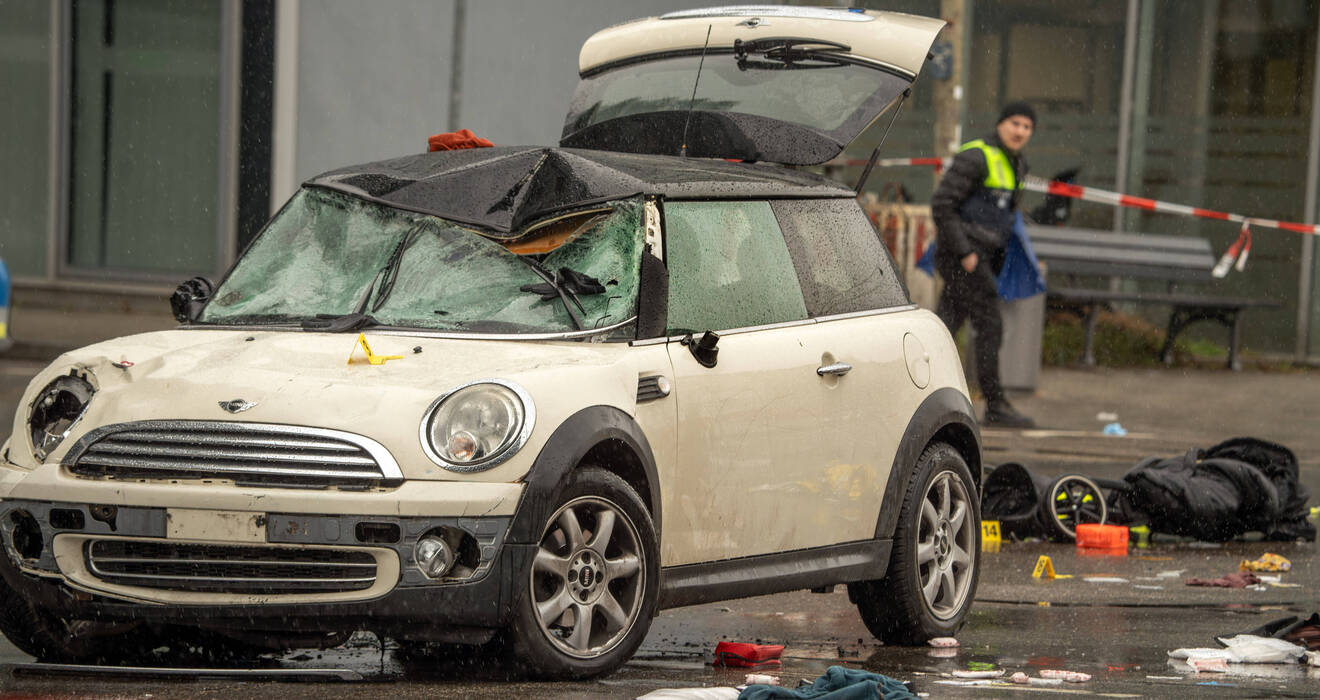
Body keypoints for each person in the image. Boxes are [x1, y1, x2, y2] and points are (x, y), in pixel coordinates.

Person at [931, 101, 1037, 428]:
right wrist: (966, 252)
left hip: (982, 256)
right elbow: (943, 204)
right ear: (1001, 124)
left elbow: (1002, 215)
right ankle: (994, 403)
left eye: (1027, 127)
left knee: (944, 327)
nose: (1020, 131)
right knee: (989, 325)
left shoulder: (1017, 163)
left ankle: (923, 394)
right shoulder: (976, 156)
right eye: (1015, 123)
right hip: (964, 256)